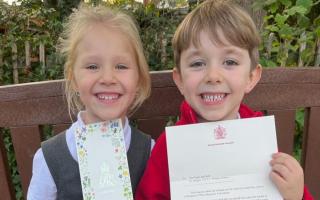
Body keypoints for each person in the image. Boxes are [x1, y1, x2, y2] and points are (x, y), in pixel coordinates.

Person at [135, 0, 313, 199]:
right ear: (180, 80)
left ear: (251, 77)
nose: (213, 75)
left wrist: (296, 195)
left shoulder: (260, 143)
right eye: (197, 63)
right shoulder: (169, 148)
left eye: (230, 62)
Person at [27, 4, 154, 200]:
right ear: (73, 78)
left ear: (138, 78)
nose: (108, 78)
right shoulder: (49, 159)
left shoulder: (150, 152)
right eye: (92, 66)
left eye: (121, 66)